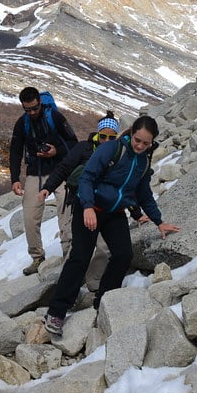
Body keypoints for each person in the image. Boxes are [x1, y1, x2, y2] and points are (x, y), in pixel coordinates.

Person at [44, 115, 180, 336]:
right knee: (80, 256)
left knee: (123, 255)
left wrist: (159, 221)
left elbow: (144, 194)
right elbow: (87, 177)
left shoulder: (143, 162)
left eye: (146, 143)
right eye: (137, 140)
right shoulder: (112, 150)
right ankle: (56, 312)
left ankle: (103, 301)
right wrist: (87, 206)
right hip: (90, 208)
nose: (140, 146)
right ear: (131, 133)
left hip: (114, 213)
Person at [39, 112, 137, 288]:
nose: (107, 140)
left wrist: (136, 212)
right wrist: (48, 187)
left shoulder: (118, 153)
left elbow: (125, 186)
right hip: (79, 203)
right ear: (98, 134)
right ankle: (66, 285)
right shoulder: (83, 148)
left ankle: (94, 281)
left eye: (111, 137)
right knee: (75, 246)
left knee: (104, 246)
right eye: (103, 136)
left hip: (105, 206)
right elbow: (64, 168)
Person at [9, 87, 79, 275]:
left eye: (34, 108)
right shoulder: (22, 124)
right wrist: (15, 179)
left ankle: (69, 254)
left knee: (65, 211)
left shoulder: (55, 117)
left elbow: (74, 143)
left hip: (61, 169)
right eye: (27, 110)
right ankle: (37, 258)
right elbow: (15, 151)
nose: (32, 112)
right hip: (35, 173)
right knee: (30, 217)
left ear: (40, 102)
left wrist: (56, 151)